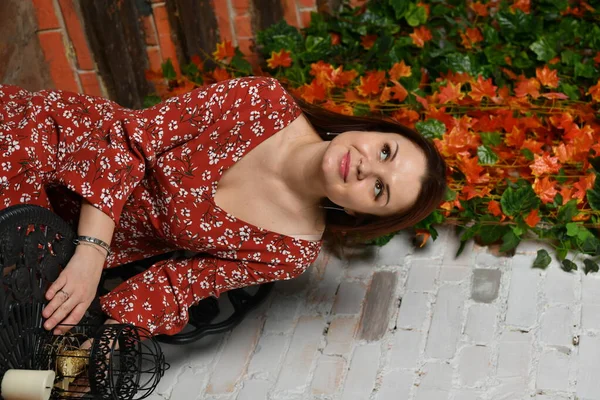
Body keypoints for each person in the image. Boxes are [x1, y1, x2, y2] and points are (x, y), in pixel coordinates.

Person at [0, 76, 446, 336]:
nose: (367, 168)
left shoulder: (290, 251)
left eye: (379, 191)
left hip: (57, 247)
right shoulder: (262, 101)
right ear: (372, 130)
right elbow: (129, 140)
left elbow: (177, 284)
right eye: (386, 151)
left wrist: (104, 338)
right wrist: (91, 251)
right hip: (59, 149)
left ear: (357, 213)